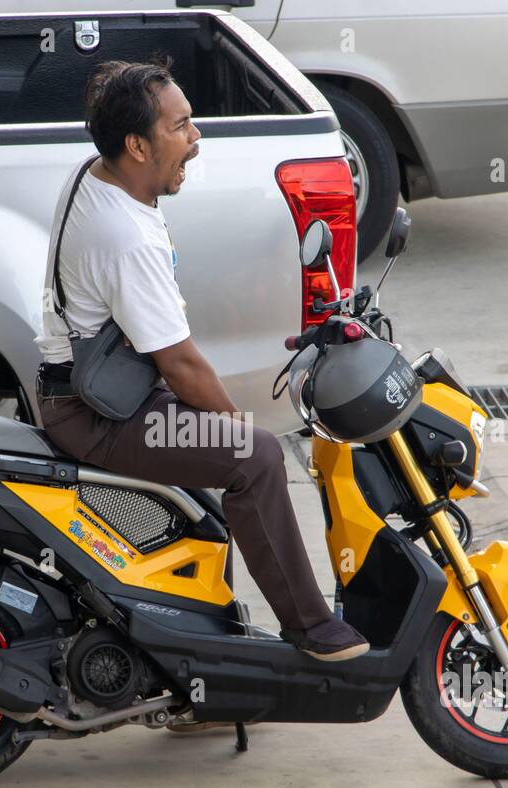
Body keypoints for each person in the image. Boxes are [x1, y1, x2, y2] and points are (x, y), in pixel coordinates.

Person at [34, 58, 369, 663]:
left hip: (106, 393)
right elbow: (181, 367)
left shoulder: (97, 172)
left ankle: (201, 656)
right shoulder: (126, 237)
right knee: (256, 456)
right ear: (136, 145)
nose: (195, 139)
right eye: (181, 126)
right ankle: (311, 629)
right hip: (95, 414)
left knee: (215, 489)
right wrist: (237, 426)